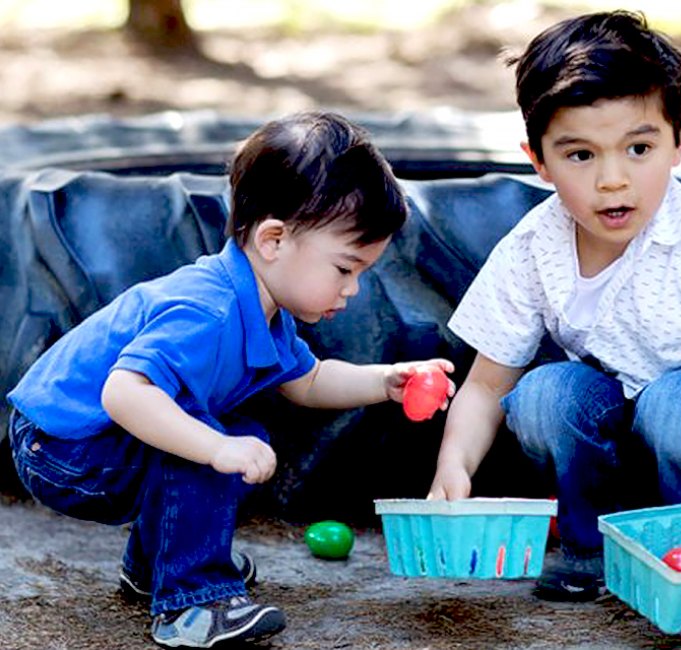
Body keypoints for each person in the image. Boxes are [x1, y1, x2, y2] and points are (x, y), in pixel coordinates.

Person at [6, 111, 454, 648]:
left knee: (225, 435)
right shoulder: (208, 309)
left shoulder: (265, 312)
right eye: (344, 268)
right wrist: (217, 448)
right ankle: (192, 602)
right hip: (62, 446)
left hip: (84, 436)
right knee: (211, 443)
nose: (353, 289)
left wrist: (385, 381)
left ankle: (156, 569)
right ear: (273, 240)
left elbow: (308, 382)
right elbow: (123, 393)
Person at [428, 10, 681, 615]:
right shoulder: (535, 248)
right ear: (538, 160)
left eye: (639, 148)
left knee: (679, 402)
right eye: (580, 155)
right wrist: (453, 466)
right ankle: (592, 548)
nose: (613, 181)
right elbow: (484, 387)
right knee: (543, 394)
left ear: (679, 141)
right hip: (621, 424)